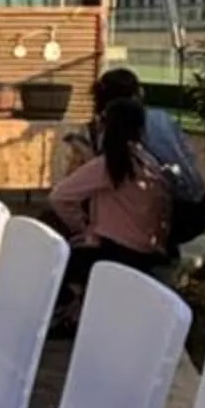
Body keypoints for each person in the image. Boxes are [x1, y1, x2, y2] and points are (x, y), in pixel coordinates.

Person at [49, 92, 174, 313]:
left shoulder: (108, 165)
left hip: (114, 252)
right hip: (147, 251)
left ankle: (66, 310)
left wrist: (84, 229)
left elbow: (60, 196)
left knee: (53, 253)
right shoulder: (149, 162)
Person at [57, 66, 205, 242]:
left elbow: (98, 176)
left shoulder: (118, 130)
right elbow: (188, 155)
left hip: (160, 217)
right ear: (138, 93)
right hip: (199, 205)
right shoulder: (161, 118)